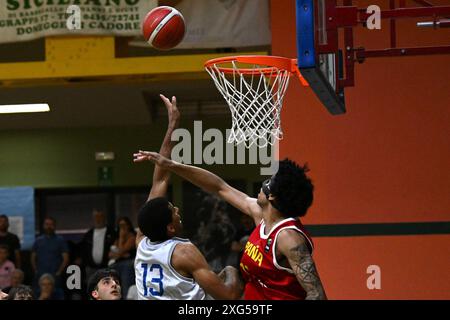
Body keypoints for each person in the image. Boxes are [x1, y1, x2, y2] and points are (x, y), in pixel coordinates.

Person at [132, 154, 327, 300]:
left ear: (273, 197)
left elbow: (316, 294)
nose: (263, 183)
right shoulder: (261, 216)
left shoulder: (288, 238)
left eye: (269, 182)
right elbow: (219, 187)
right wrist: (172, 166)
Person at [133, 94, 242, 300]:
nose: (177, 210)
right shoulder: (184, 252)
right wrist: (231, 270)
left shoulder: (142, 241)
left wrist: (172, 126)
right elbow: (229, 296)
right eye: (173, 211)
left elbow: (160, 180)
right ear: (170, 227)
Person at [31, 217, 69, 292]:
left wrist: (59, 272)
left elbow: (66, 258)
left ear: (54, 226)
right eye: (47, 224)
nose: (49, 226)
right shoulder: (38, 241)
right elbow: (32, 257)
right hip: (40, 275)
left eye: (51, 224)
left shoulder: (60, 240)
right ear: (43, 226)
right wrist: (35, 270)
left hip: (55, 275)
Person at [79, 209, 116, 285]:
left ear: (104, 218)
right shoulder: (88, 234)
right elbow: (83, 250)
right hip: (91, 268)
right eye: (96, 217)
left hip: (107, 267)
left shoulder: (111, 233)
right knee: (92, 289)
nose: (98, 219)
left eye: (100, 217)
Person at [109, 216, 136, 296]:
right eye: (120, 225)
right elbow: (110, 254)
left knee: (125, 286)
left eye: (124, 225)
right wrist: (120, 254)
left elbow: (120, 250)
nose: (122, 228)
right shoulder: (116, 238)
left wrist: (121, 237)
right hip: (117, 263)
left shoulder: (132, 236)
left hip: (127, 264)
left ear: (128, 225)